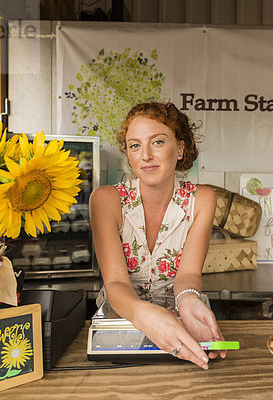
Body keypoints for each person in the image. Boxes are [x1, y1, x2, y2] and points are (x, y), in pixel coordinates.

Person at [89, 102, 225, 370]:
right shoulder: (105, 200)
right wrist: (145, 315)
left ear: (180, 148)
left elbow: (187, 275)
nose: (146, 155)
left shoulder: (202, 199)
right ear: (128, 155)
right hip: (122, 325)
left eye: (158, 142)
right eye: (135, 145)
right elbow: (115, 282)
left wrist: (188, 299)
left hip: (180, 328)